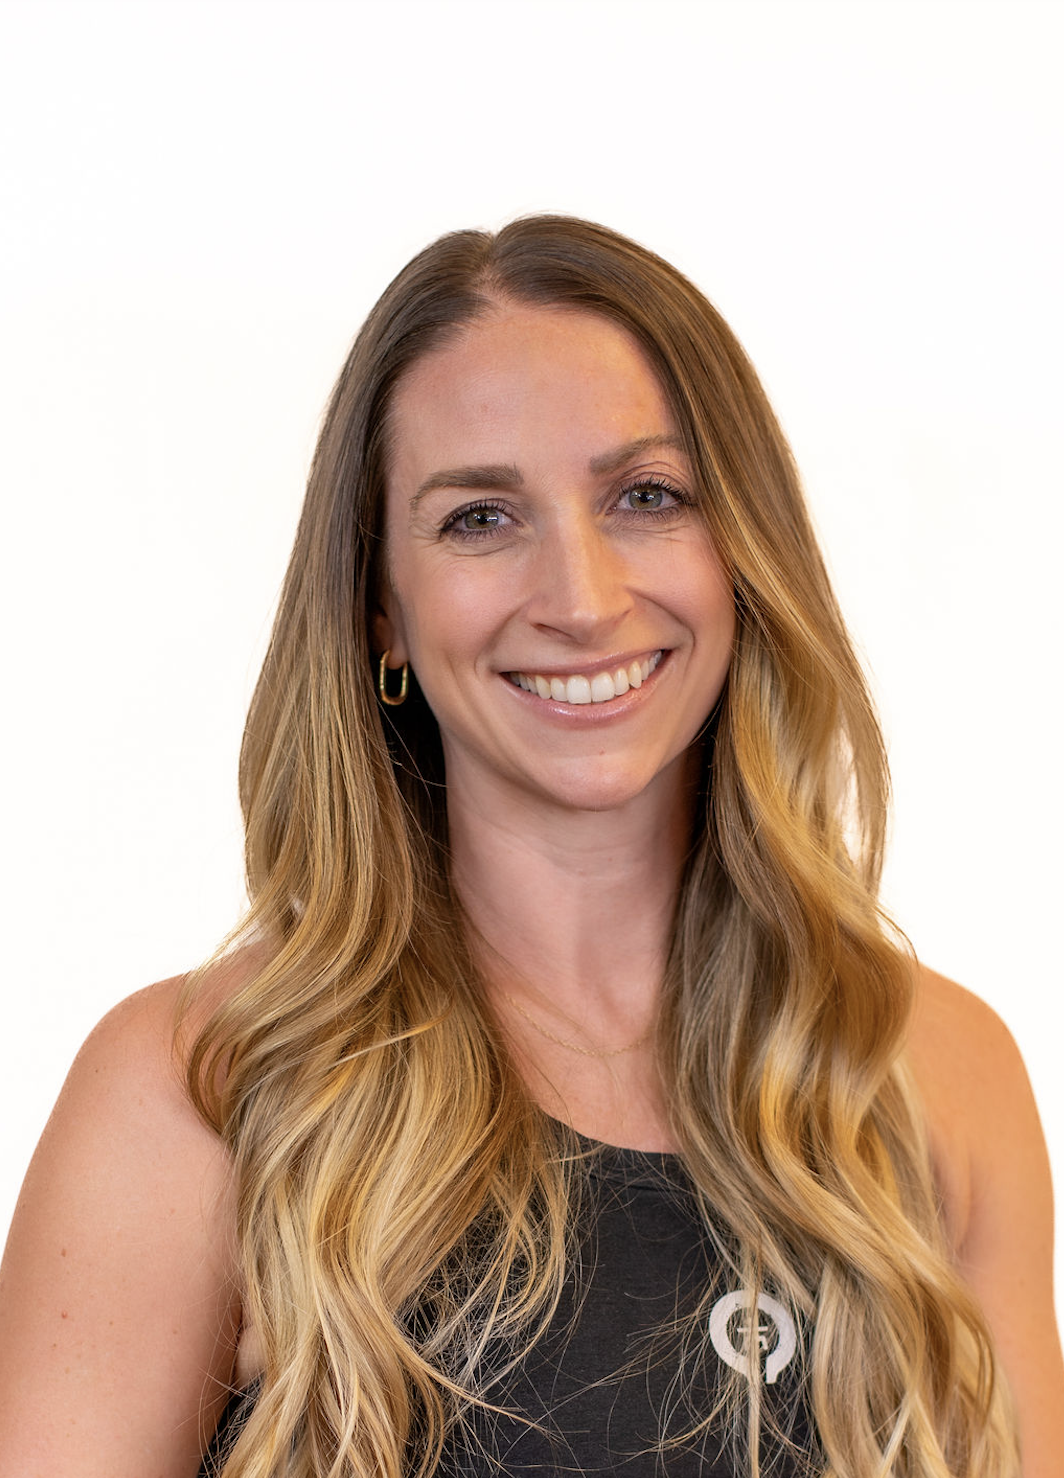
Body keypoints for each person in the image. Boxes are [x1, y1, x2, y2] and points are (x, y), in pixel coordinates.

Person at [0, 217, 1060, 1478]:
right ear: (378, 607)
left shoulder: (928, 1071)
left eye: (646, 497)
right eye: (480, 518)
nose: (580, 595)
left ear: (742, 550)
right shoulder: (199, 1092)